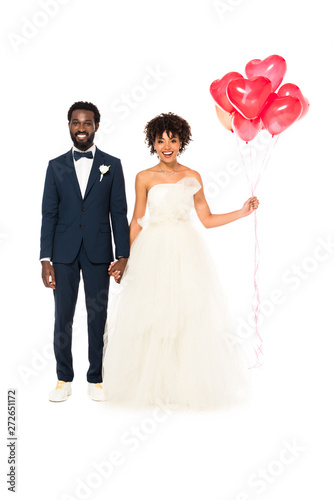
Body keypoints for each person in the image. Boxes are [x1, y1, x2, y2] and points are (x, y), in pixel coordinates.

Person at [102, 112, 259, 411]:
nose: (167, 145)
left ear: (181, 142)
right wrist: (123, 257)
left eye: (172, 139)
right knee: (152, 312)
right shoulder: (144, 177)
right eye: (160, 140)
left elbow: (207, 219)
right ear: (153, 143)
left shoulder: (193, 176)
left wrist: (241, 212)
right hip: (152, 250)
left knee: (187, 313)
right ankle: (151, 385)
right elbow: (136, 220)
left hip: (185, 251)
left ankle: (182, 385)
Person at [40, 101, 129, 403]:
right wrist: (45, 259)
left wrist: (123, 254)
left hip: (99, 253)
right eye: (76, 122)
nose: (81, 128)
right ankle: (63, 378)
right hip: (62, 254)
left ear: (96, 126)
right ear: (69, 125)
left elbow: (118, 212)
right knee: (62, 318)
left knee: (97, 316)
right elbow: (48, 214)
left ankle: (97, 378)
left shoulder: (112, 164)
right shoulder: (55, 166)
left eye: (87, 123)